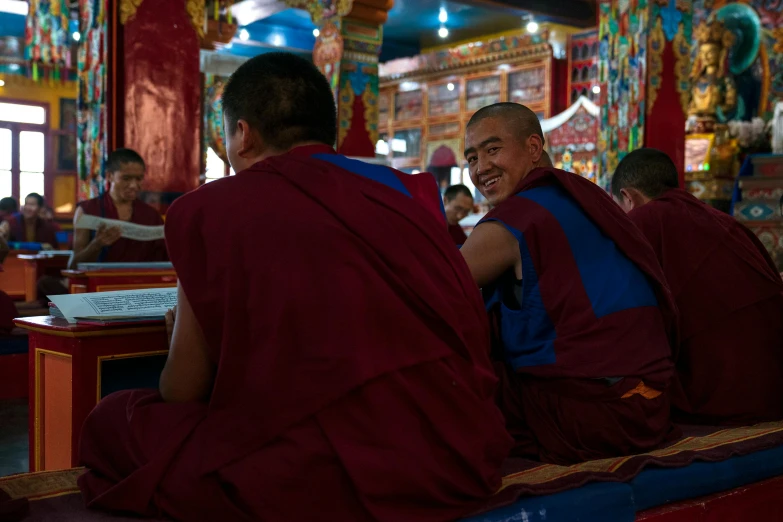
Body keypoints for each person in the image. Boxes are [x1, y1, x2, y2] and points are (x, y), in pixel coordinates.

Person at [78, 52, 512, 521]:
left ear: (242, 134)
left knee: (112, 422)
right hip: (450, 454)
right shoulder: (409, 195)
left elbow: (181, 390)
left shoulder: (209, 209)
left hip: (317, 470)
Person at [460, 103, 678, 465]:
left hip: (593, 412)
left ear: (533, 148)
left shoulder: (519, 217)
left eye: (492, 150)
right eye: (471, 158)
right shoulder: (585, 198)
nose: (481, 168)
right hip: (652, 401)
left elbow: (433, 287)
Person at [612, 148, 783, 425]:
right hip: (774, 383)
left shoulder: (642, 221)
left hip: (720, 392)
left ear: (628, 196)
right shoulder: (719, 218)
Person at [68, 148, 167, 269]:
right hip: (100, 284)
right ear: (110, 176)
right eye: (126, 178)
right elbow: (72, 266)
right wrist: (96, 244)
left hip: (142, 284)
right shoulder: (88, 210)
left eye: (139, 179)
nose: (134, 185)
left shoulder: (151, 215)